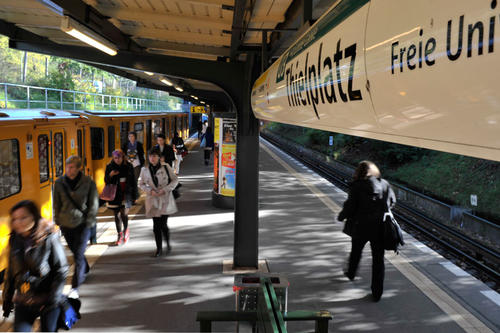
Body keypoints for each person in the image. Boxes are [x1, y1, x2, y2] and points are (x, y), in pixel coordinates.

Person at [2, 200, 68, 332]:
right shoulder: (14, 239)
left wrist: (52, 300)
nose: (18, 222)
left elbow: (61, 269)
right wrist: (7, 299)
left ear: (34, 217)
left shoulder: (49, 237)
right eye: (14, 219)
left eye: (23, 217)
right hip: (24, 299)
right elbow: (11, 271)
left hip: (47, 299)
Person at [337, 160, 396, 302]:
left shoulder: (357, 186)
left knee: (356, 251)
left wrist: (341, 216)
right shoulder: (384, 184)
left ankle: (351, 273)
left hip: (360, 226)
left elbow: (350, 206)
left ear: (359, 172)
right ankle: (377, 293)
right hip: (379, 227)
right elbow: (392, 202)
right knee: (378, 260)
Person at [53, 155, 98, 299]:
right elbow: (56, 204)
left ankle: (74, 288)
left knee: (78, 255)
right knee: (75, 252)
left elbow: (93, 204)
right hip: (66, 224)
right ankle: (85, 268)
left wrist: (90, 222)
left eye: (72, 167)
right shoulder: (59, 183)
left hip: (82, 223)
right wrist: (57, 220)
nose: (68, 169)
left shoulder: (88, 183)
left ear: (79, 168)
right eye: (67, 166)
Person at [138, 148, 179, 257]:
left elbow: (175, 180)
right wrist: (149, 191)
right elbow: (141, 184)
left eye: (155, 156)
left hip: (165, 198)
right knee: (156, 225)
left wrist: (165, 189)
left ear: (159, 157)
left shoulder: (166, 167)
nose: (152, 158)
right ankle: (159, 249)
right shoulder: (144, 169)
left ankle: (168, 242)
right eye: (150, 156)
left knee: (163, 224)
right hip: (153, 199)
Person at [104, 150, 137, 246]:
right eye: (115, 158)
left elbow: (133, 181)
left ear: (123, 157)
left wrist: (135, 195)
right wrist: (110, 175)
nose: (117, 160)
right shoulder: (109, 167)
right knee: (116, 215)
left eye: (119, 158)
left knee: (124, 214)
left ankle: (126, 230)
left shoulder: (129, 166)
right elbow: (106, 181)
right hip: (115, 194)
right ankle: (119, 235)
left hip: (126, 193)